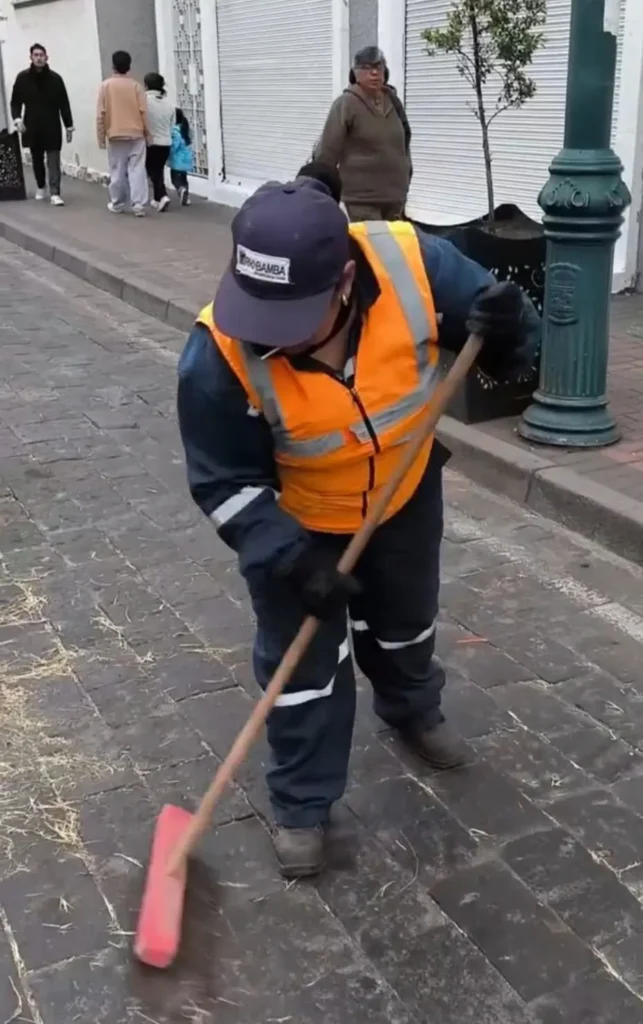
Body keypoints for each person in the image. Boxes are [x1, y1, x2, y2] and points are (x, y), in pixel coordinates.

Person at [177, 172, 539, 879]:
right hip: (300, 525)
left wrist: (504, 334)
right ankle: (302, 802)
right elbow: (222, 483)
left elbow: (499, 330)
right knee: (304, 671)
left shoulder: (413, 264)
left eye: (289, 319)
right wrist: (289, 558)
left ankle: (410, 708)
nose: (265, 337)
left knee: (405, 622)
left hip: (401, 495)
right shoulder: (215, 356)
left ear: (344, 279)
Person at [315, 46, 412, 222]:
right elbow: (328, 150)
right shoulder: (346, 104)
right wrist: (321, 188)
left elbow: (404, 143)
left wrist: (407, 176)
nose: (374, 73)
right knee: (374, 247)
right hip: (362, 199)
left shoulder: (393, 101)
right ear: (355, 73)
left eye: (379, 67)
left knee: (394, 248)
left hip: (395, 198)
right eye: (367, 68)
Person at [10, 43, 74, 207]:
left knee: (53, 157)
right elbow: (15, 101)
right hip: (32, 124)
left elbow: (64, 103)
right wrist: (17, 119)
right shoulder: (23, 78)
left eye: (41, 55)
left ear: (46, 57)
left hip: (52, 123)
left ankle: (55, 192)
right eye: (36, 55)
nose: (39, 58)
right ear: (31, 57)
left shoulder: (55, 79)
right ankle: (41, 185)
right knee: (37, 158)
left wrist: (68, 125)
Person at [97, 51, 150, 217]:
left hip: (115, 134)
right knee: (137, 169)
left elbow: (101, 114)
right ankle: (139, 204)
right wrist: (148, 134)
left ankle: (118, 203)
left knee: (117, 170)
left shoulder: (105, 86)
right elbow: (144, 113)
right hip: (136, 134)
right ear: (129, 66)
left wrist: (101, 138)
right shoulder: (136, 86)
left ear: (113, 65)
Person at [144, 72, 174, 212]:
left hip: (151, 141)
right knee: (158, 169)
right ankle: (157, 199)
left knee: (152, 170)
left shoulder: (144, 100)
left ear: (146, 85)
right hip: (166, 142)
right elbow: (172, 124)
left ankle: (162, 196)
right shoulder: (169, 103)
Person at [169, 107, 193, 206]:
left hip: (176, 160)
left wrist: (168, 152)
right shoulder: (186, 129)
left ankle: (181, 189)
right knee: (184, 179)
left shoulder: (175, 130)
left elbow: (174, 145)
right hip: (186, 160)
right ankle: (186, 197)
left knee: (175, 179)